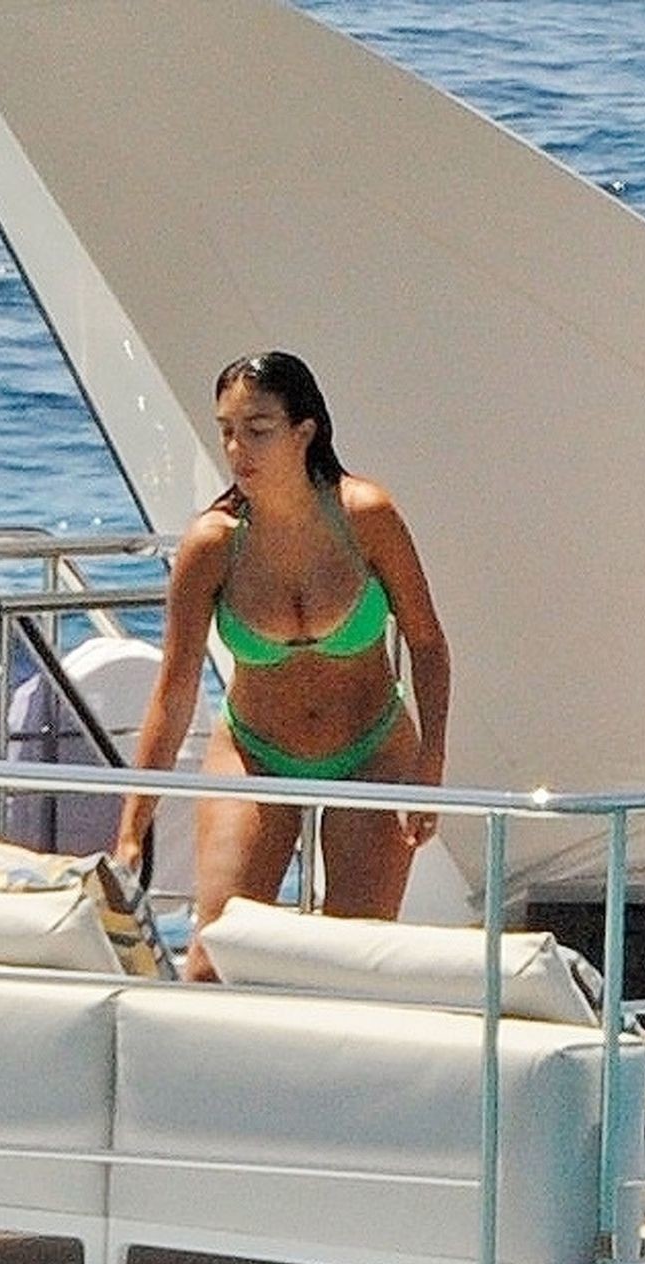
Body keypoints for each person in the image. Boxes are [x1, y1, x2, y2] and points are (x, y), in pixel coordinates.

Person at [114, 351, 450, 982]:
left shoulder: (366, 517)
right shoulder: (212, 544)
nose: (236, 449)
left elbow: (427, 642)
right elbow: (175, 691)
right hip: (254, 751)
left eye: (257, 429)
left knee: (351, 966)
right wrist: (134, 825)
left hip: (371, 750)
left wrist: (430, 763)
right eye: (226, 431)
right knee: (211, 963)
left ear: (304, 432)